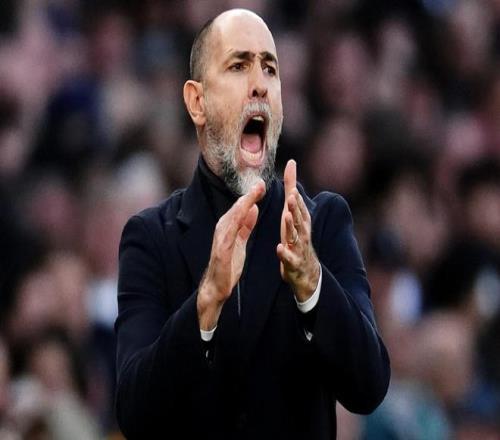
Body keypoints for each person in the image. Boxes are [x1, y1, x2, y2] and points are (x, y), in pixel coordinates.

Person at [114, 9, 390, 439]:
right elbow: (135, 414)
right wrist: (206, 302)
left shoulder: (323, 223)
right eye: (239, 66)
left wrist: (313, 285)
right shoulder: (151, 237)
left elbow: (368, 386)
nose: (260, 83)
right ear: (197, 102)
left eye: (270, 69)